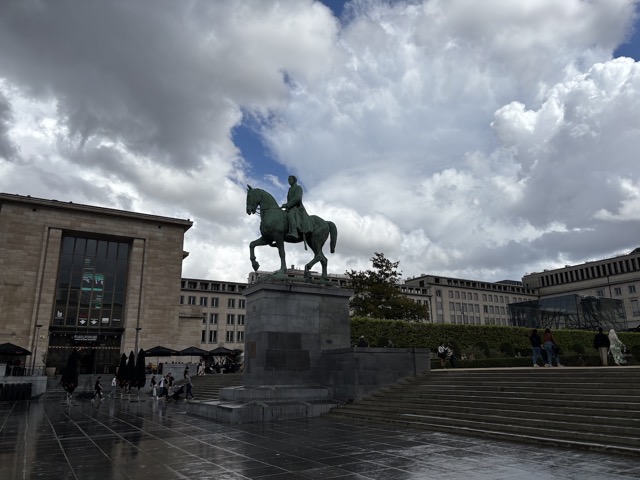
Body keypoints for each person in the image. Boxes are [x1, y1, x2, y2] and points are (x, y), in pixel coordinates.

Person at [281, 175, 312, 241]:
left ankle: (294, 232)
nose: (289, 181)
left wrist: (287, 205)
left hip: (297, 207)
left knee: (290, 215)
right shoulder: (289, 190)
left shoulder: (298, 187)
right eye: (288, 179)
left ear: (294, 180)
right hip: (290, 207)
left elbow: (298, 198)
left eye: (290, 179)